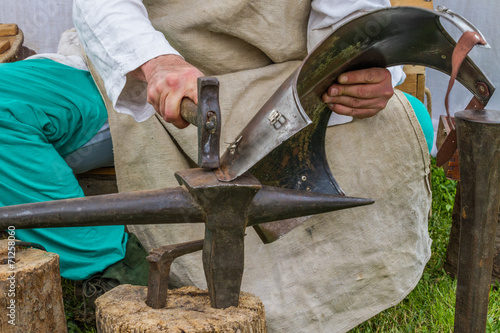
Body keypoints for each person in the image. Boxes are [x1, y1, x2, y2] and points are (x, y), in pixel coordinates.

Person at [4, 0, 432, 331]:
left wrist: (361, 71)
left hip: (274, 81)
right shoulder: (144, 61)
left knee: (409, 121)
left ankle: (327, 278)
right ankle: (116, 269)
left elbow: (351, 20)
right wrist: (156, 62)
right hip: (138, 66)